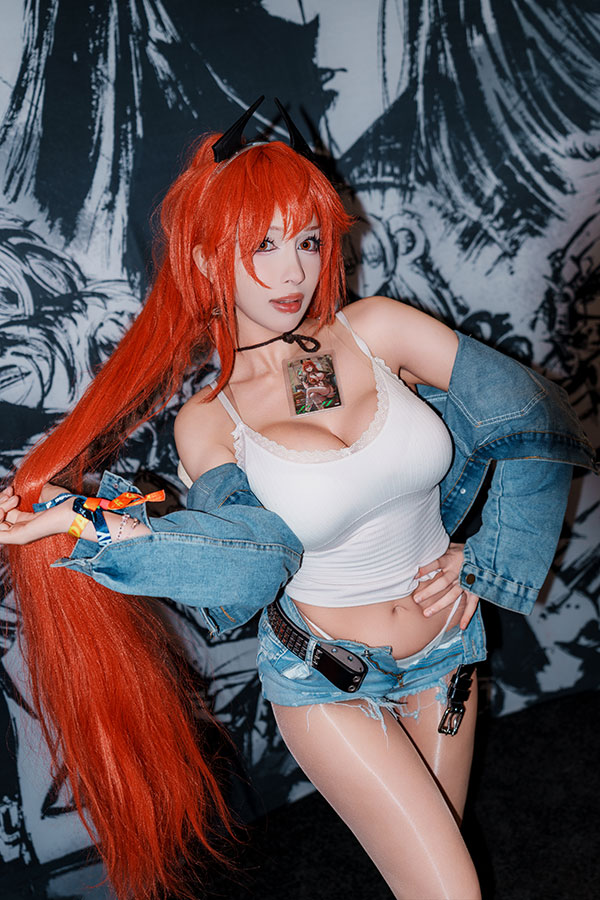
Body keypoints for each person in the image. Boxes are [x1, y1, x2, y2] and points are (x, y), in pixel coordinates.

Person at [0, 99, 595, 900]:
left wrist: (490, 559)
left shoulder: (378, 330)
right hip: (328, 678)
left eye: (309, 241)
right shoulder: (209, 420)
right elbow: (249, 559)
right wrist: (84, 522)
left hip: (447, 653)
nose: (293, 273)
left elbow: (530, 411)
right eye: (263, 245)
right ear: (207, 260)